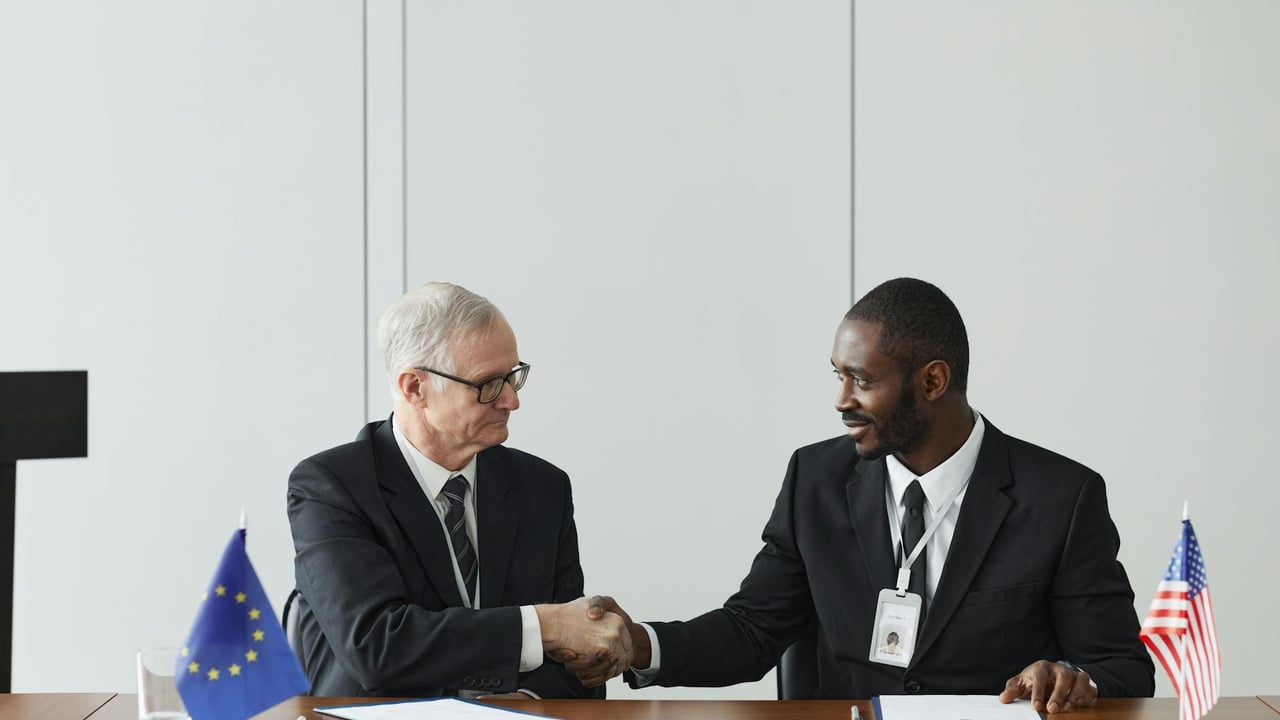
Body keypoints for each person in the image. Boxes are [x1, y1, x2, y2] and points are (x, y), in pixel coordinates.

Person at [567, 278, 1154, 711]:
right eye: (838, 376)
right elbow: (752, 630)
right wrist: (640, 645)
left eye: (863, 380)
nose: (842, 400)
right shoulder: (814, 480)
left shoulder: (1061, 497)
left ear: (932, 381)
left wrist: (1077, 677)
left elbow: (1123, 667)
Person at [287, 282, 630, 698]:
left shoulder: (543, 488)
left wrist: (521, 703)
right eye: (487, 384)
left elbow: (575, 662)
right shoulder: (333, 486)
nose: (510, 401)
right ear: (415, 388)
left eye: (512, 377)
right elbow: (378, 648)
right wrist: (544, 625)